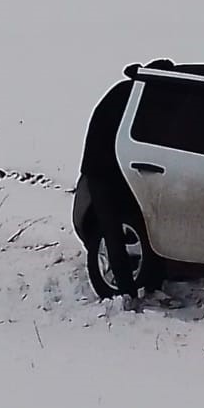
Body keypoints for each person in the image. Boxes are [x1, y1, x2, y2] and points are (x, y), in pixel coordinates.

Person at [80, 79, 139, 300]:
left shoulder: (123, 92)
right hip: (104, 172)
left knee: (113, 229)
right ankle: (124, 290)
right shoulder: (132, 100)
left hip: (102, 169)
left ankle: (129, 284)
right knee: (112, 230)